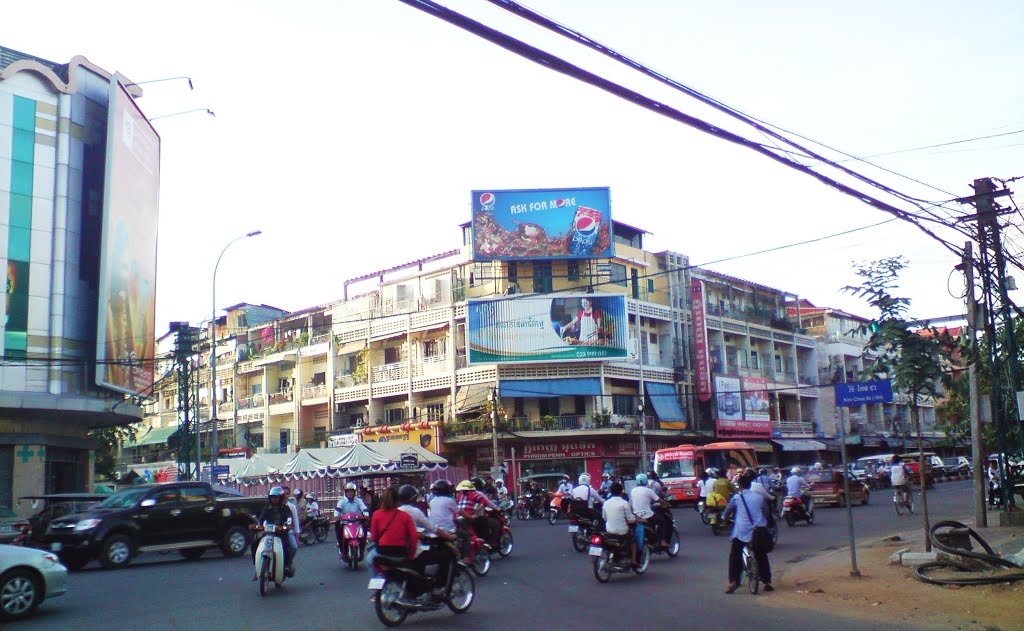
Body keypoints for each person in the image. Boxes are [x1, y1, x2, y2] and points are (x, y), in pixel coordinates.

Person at [397, 484, 456, 597]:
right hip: (412, 550)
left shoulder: (396, 511)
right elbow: (433, 528)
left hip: (397, 549)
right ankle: (438, 588)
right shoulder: (414, 511)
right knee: (444, 557)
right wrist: (450, 537)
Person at [721, 472, 773, 593]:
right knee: (761, 555)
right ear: (750, 485)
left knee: (735, 554)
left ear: (739, 486)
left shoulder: (737, 497)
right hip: (759, 530)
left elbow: (727, 512)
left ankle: (733, 582)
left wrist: (724, 518)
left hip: (742, 531)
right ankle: (767, 582)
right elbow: (766, 511)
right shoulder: (759, 497)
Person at [367, 486, 419, 583]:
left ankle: (376, 580)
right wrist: (411, 554)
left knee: (369, 559)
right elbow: (414, 537)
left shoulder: (376, 515)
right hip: (400, 552)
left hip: (382, 552)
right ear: (398, 500)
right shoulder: (405, 516)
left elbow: (374, 537)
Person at [252, 486, 295, 577]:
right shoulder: (266, 508)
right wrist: (257, 526)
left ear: (281, 498)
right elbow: (260, 520)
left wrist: (287, 527)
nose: (274, 499)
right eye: (272, 497)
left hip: (281, 534)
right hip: (268, 533)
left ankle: (287, 565)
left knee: (287, 546)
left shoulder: (286, 509)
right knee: (254, 544)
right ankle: (256, 567)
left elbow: (290, 520)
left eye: (276, 497)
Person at [601, 481, 638, 566]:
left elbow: (604, 517)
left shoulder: (606, 503)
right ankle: (633, 560)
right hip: (622, 531)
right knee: (633, 540)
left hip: (609, 531)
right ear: (621, 491)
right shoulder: (624, 503)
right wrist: (636, 520)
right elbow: (630, 519)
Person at [630, 473, 670, 549]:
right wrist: (668, 504)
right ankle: (663, 541)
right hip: (647, 515)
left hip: (636, 515)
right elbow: (659, 499)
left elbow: (631, 502)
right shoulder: (649, 490)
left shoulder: (633, 491)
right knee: (662, 521)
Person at [456, 479, 500, 545]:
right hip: (474, 518)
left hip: (460, 517)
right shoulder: (476, 494)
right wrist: (498, 509)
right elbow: (487, 502)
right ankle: (492, 542)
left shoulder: (459, 495)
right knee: (495, 523)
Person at [334, 482, 370, 552]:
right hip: (345, 522)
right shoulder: (341, 501)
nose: (350, 493)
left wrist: (366, 515)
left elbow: (364, 508)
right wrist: (336, 516)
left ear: (354, 492)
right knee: (338, 527)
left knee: (365, 526)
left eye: (351, 491)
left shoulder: (359, 501)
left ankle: (363, 544)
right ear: (345, 493)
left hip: (358, 521)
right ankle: (340, 544)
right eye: (348, 491)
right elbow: (337, 510)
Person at [281, 486, 301, 568]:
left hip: (287, 532)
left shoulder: (291, 507)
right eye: (283, 494)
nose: (285, 496)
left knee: (294, 547)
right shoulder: (272, 506)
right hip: (274, 532)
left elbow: (295, 523)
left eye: (287, 494)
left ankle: (288, 563)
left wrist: (297, 538)